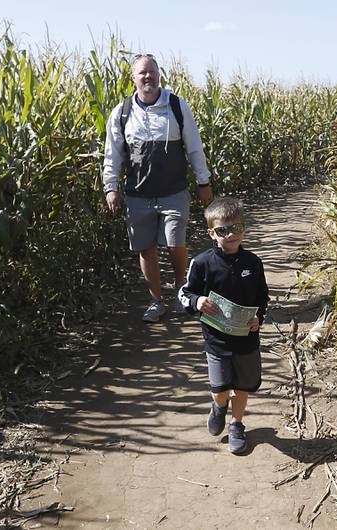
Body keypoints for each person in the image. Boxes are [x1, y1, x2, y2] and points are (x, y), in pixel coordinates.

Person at [103, 54, 213, 322]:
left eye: (152, 72)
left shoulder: (176, 106)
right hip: (137, 194)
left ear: (159, 75)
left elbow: (194, 147)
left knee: (176, 243)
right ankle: (156, 301)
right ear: (134, 78)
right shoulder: (122, 112)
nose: (148, 77)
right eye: (143, 73)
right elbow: (113, 154)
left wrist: (203, 182)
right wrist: (111, 187)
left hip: (173, 192)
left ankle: (180, 292)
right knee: (146, 248)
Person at [177, 198, 269, 454]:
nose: (230, 235)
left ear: (244, 229)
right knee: (219, 389)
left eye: (236, 228)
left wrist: (258, 319)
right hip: (216, 342)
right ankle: (218, 406)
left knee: (242, 386)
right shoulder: (203, 263)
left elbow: (262, 297)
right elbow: (184, 293)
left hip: (246, 340)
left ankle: (236, 425)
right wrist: (198, 301)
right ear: (211, 233)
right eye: (222, 230)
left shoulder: (253, 263)